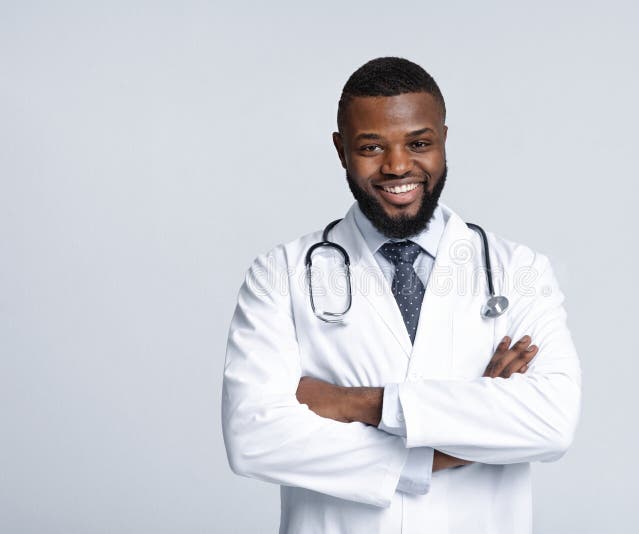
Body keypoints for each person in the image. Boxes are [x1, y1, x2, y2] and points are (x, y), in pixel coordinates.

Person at [221, 56, 582, 534]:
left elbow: (550, 423)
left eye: (419, 143)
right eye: (371, 146)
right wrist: (445, 446)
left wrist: (357, 404)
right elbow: (254, 437)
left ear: (444, 141)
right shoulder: (280, 274)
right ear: (340, 149)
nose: (397, 166)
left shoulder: (519, 271)